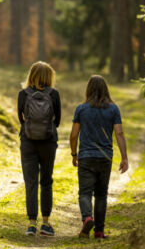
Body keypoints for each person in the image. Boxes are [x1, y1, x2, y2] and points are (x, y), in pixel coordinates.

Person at [69, 75, 128, 239]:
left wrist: (74, 154)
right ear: (106, 90)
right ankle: (99, 231)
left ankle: (87, 217)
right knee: (101, 194)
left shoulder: (81, 109)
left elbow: (74, 135)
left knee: (85, 193)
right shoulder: (113, 109)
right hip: (105, 158)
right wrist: (124, 158)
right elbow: (119, 133)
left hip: (86, 157)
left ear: (88, 90)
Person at [18, 61, 61, 237]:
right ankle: (45, 223)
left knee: (30, 182)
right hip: (48, 142)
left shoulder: (23, 94)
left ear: (31, 75)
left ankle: (31, 224)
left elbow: (21, 119)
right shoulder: (54, 94)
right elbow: (57, 121)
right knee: (46, 181)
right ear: (49, 77)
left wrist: (31, 128)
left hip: (28, 142)